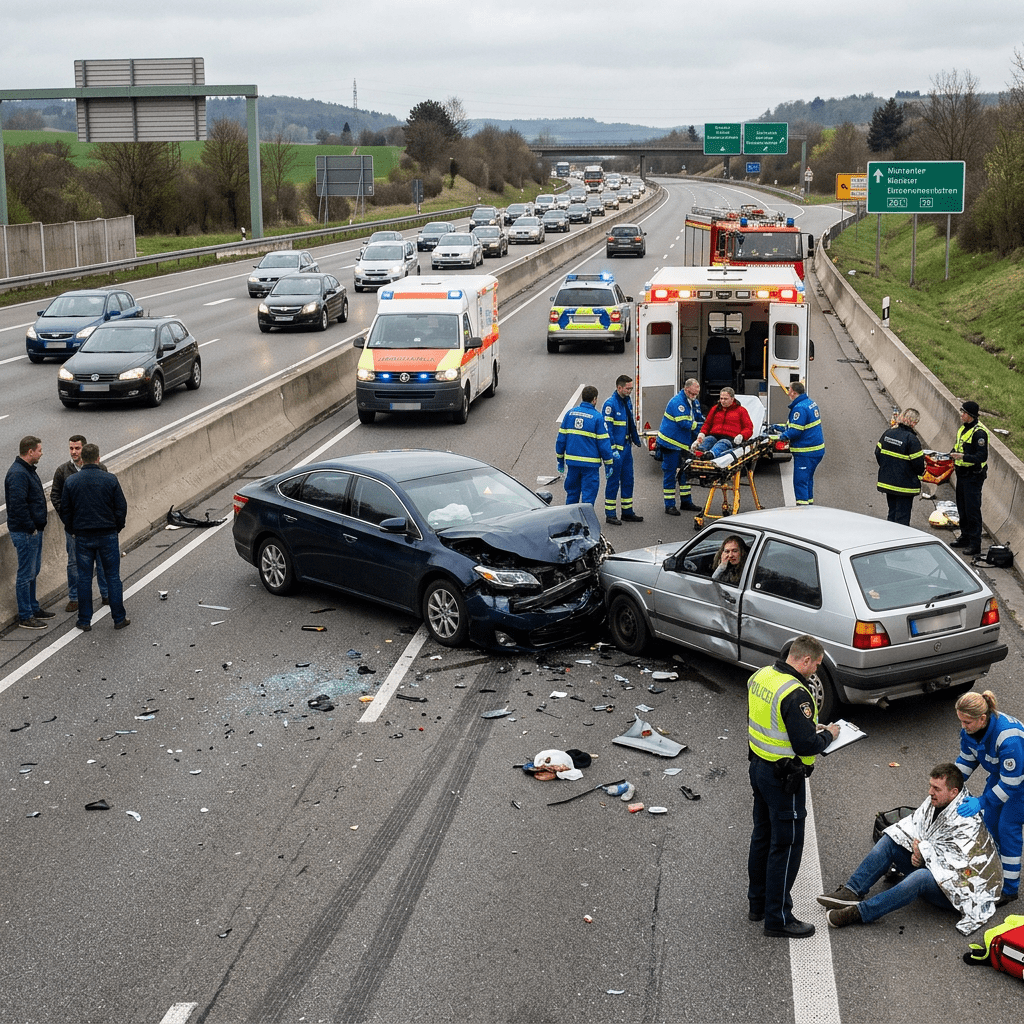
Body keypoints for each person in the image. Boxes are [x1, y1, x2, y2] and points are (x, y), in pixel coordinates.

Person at [819, 763, 1002, 934]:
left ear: (954, 792)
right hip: (932, 866)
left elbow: (963, 870)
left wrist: (923, 853)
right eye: (930, 786)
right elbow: (914, 826)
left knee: (920, 877)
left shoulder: (967, 820)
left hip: (959, 890)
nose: (930, 792)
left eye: (937, 789)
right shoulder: (935, 801)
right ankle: (852, 890)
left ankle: (859, 913)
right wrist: (920, 853)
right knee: (891, 839)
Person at [747, 635, 840, 938]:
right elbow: (805, 744)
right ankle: (779, 918)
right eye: (815, 664)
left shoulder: (761, 676)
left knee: (762, 835)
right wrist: (830, 734)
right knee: (786, 846)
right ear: (803, 660)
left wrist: (807, 728)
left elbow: (772, 721)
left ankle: (757, 904)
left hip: (759, 767)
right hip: (783, 777)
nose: (815, 670)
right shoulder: (797, 693)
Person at [954, 690, 1024, 905]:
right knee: (990, 823)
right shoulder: (971, 730)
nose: (963, 727)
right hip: (1002, 775)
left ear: (982, 719)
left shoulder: (1008, 738)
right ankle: (994, 870)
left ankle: (1010, 890)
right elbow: (967, 761)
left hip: (1019, 783)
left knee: (1007, 828)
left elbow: (1012, 784)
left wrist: (982, 801)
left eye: (967, 722)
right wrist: (950, 784)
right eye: (961, 721)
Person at [59, 443, 130, 632]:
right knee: (113, 577)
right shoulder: (110, 479)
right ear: (98, 458)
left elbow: (65, 510)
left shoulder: (72, 481)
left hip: (82, 537)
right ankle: (119, 618)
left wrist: (73, 528)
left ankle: (84, 620)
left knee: (83, 579)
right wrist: (116, 527)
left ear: (82, 459)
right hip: (107, 535)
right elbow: (121, 508)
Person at [50, 435, 109, 613]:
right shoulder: (62, 471)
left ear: (84, 449)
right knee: (74, 563)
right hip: (74, 528)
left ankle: (105, 594)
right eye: (71, 448)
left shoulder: (100, 468)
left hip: (96, 525)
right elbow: (55, 496)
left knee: (101, 561)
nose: (74, 452)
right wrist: (68, 520)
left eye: (77, 448)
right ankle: (74, 598)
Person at [4, 436, 56, 629]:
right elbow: (17, 506)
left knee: (33, 572)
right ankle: (25, 615)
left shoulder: (26, 470)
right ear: (30, 451)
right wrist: (31, 527)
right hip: (26, 532)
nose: (41, 453)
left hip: (33, 530)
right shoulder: (18, 474)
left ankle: (33, 607)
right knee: (25, 574)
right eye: (39, 450)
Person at [555, 385, 617, 507]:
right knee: (588, 499)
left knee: (572, 495)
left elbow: (561, 440)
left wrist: (560, 460)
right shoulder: (597, 417)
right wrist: (609, 463)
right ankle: (585, 524)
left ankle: (571, 522)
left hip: (572, 464)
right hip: (590, 466)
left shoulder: (569, 414)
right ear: (594, 399)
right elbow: (604, 444)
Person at [772, 381, 824, 506]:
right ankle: (809, 506)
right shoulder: (809, 403)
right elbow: (796, 425)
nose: (788, 392)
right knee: (807, 480)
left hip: (806, 452)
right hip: (816, 450)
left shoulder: (799, 408)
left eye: (789, 390)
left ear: (793, 392)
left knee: (800, 481)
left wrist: (780, 437)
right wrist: (778, 427)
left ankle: (802, 510)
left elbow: (795, 431)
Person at [601, 375, 644, 525]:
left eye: (631, 388)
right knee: (613, 482)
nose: (630, 391)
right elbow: (607, 430)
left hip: (626, 448)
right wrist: (612, 449)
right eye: (628, 388)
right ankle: (610, 514)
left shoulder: (627, 401)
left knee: (628, 480)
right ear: (619, 388)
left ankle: (627, 512)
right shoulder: (610, 404)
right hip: (616, 451)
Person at [657, 378, 702, 515]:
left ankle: (686, 501)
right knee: (670, 474)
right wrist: (702, 428)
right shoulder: (677, 402)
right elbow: (685, 423)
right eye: (692, 393)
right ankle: (669, 505)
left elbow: (699, 417)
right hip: (670, 444)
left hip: (683, 445)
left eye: (696, 394)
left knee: (685, 473)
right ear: (686, 389)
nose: (694, 396)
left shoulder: (693, 402)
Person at [875, 408, 925, 526]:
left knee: (892, 513)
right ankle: (900, 540)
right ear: (913, 422)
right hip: (905, 487)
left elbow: (878, 453)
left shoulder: (888, 433)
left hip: (888, 482)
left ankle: (889, 539)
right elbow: (918, 465)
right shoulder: (912, 440)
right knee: (902, 518)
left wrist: (887, 467)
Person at [951, 400, 988, 556]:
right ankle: (965, 537)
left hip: (973, 476)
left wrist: (963, 457)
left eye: (964, 412)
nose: (962, 414)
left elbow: (981, 456)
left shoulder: (979, 433)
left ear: (971, 415)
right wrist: (951, 454)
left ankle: (975, 544)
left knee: (972, 510)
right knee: (962, 508)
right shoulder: (963, 429)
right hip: (962, 474)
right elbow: (958, 446)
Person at [693, 387, 753, 460]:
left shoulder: (741, 411)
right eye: (721, 398)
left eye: (725, 399)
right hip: (714, 435)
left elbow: (748, 427)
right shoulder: (715, 409)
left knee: (723, 443)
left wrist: (742, 435)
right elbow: (707, 423)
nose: (722, 401)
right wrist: (702, 434)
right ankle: (698, 452)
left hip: (730, 438)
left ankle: (711, 455)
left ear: (732, 398)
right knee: (709, 439)